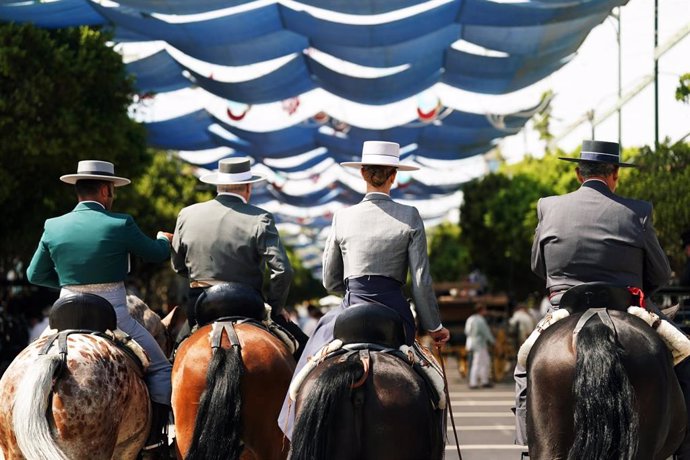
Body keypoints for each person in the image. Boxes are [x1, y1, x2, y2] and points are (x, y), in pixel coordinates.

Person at [514, 140, 690, 455]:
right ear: (615, 174)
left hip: (563, 309)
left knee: (525, 363)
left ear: (578, 174)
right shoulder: (638, 211)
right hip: (629, 307)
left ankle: (529, 441)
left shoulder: (548, 207)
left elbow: (537, 266)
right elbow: (662, 273)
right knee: (685, 358)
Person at [278, 140, 450, 438]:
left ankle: (295, 430)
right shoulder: (410, 216)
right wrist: (435, 327)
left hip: (351, 309)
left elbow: (329, 280)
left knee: (304, 375)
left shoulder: (342, 217)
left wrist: (348, 289)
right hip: (394, 315)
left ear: (362, 173)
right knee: (436, 388)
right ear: (394, 175)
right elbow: (421, 282)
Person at [25, 160, 173, 452]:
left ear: (78, 191)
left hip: (62, 313)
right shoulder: (121, 223)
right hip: (114, 316)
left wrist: (71, 286)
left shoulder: (53, 225)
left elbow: (34, 274)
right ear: (106, 190)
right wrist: (162, 239)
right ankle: (156, 440)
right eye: (112, 190)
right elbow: (156, 254)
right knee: (161, 368)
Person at [171, 157, 308, 354]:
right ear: (248, 187)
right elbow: (283, 270)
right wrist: (275, 308)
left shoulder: (187, 214)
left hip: (200, 303)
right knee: (305, 352)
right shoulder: (261, 218)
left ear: (218, 185)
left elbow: (178, 266)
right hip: (247, 303)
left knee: (173, 358)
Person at [465, 304, 494, 389]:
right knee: (478, 363)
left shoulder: (470, 319)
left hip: (471, 342)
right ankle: (473, 382)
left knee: (484, 361)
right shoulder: (480, 320)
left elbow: (466, 331)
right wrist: (493, 342)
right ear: (481, 310)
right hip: (479, 344)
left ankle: (484, 380)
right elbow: (486, 332)